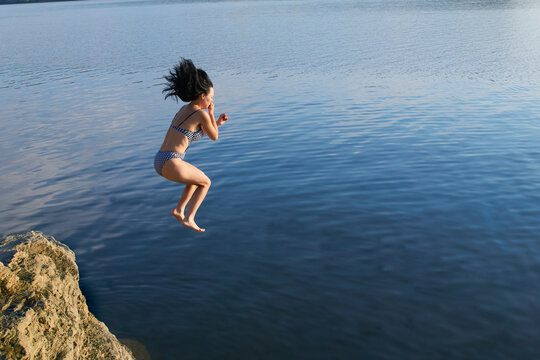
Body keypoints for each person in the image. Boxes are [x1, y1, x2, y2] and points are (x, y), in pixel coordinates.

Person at [155, 59, 228, 232]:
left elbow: (195, 134)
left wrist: (216, 122)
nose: (211, 101)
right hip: (173, 161)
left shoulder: (184, 110)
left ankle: (179, 209)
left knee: (196, 179)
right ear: (203, 96)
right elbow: (214, 137)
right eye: (211, 97)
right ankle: (189, 218)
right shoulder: (202, 114)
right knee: (206, 182)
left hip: (161, 159)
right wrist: (211, 113)